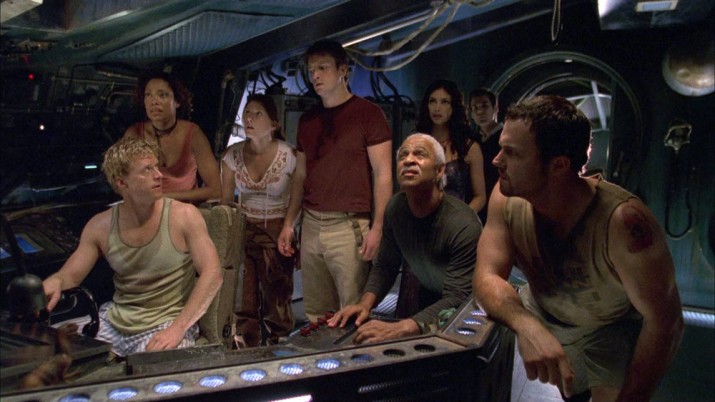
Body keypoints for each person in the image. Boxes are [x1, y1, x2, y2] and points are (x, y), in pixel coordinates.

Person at [473, 95, 683, 401]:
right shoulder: (506, 196)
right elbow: (486, 276)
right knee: (572, 394)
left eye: (512, 152)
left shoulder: (623, 223)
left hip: (606, 328)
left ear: (558, 165)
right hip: (546, 313)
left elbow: (665, 322)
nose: (496, 160)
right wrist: (526, 325)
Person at [43, 137, 223, 357]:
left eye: (156, 166)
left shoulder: (184, 216)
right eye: (147, 169)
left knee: (158, 364)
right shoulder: (100, 226)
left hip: (165, 323)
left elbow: (213, 273)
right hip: (114, 322)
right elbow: (70, 276)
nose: (159, 175)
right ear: (122, 182)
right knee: (46, 345)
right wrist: (56, 281)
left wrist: (178, 329)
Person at [277, 39, 393, 323]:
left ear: (343, 70)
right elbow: (301, 175)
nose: (315, 75)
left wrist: (379, 227)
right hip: (312, 223)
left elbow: (383, 174)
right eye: (311, 70)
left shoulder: (368, 114)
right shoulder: (308, 120)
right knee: (317, 314)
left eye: (323, 68)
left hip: (349, 224)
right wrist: (290, 223)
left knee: (353, 311)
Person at [328, 133, 481, 343]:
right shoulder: (395, 208)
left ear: (439, 170)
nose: (409, 160)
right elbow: (386, 266)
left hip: (471, 314)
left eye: (420, 154)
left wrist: (405, 327)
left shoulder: (463, 224)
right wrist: (364, 305)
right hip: (431, 296)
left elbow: (458, 296)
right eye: (403, 156)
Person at [221, 93, 296, 348]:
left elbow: (298, 198)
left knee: (277, 296)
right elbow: (226, 203)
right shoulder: (232, 154)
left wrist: (290, 228)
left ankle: (280, 346)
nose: (249, 119)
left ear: (273, 123)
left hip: (276, 229)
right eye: (247, 113)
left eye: (257, 114)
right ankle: (246, 346)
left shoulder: (289, 155)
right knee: (244, 296)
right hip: (244, 229)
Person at [123, 71, 221, 203]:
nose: (154, 102)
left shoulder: (193, 134)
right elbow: (124, 184)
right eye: (148, 95)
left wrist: (164, 198)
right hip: (146, 209)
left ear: (177, 101)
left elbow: (216, 190)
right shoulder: (134, 134)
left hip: (185, 210)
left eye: (162, 95)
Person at [416, 79, 486, 214]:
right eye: (432, 101)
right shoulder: (417, 143)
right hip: (420, 218)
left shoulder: (469, 147)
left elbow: (480, 197)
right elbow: (405, 190)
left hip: (456, 219)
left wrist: (460, 219)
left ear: (454, 107)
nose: (437, 108)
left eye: (445, 102)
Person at [468, 88, 502, 223]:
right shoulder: (472, 141)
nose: (480, 112)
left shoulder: (504, 138)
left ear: (495, 108)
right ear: (471, 113)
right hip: (479, 206)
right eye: (475, 108)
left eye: (484, 106)